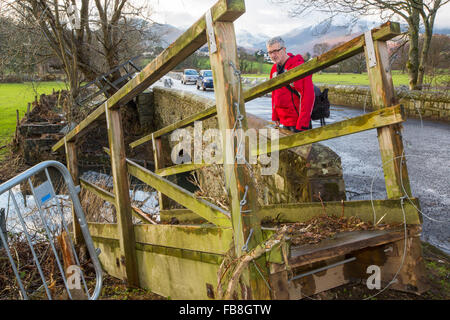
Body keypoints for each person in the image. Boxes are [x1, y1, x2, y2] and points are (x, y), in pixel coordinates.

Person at [266, 37, 315, 132]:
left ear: (284, 49)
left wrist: (303, 123)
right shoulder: (274, 69)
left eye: (276, 51)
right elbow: (274, 94)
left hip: (298, 122)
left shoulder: (298, 67)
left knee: (301, 147)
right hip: (283, 121)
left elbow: (308, 95)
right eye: (270, 52)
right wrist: (275, 116)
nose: (273, 55)